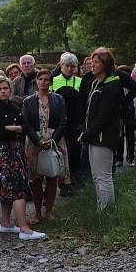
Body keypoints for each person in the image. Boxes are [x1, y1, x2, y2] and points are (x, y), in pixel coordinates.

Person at [0, 77, 44, 240]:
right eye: (0, 88)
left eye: (6, 88)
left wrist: (14, 128)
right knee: (17, 189)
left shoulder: (14, 107)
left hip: (16, 151)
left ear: (10, 90)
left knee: (12, 188)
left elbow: (25, 126)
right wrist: (15, 130)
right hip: (4, 153)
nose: (3, 91)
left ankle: (6, 223)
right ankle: (24, 229)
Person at [78, 48, 124, 210]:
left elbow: (103, 117)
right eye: (92, 62)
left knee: (103, 177)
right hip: (94, 137)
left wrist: (86, 134)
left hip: (103, 138)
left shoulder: (111, 86)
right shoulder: (98, 83)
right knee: (98, 176)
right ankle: (104, 209)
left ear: (105, 64)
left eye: (96, 62)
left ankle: (106, 213)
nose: (92, 65)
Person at [22, 69, 67, 224]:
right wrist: (37, 141)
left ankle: (49, 211)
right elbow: (25, 124)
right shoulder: (28, 101)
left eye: (46, 79)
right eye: (40, 79)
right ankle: (37, 213)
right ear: (36, 81)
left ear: (51, 82)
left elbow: (62, 122)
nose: (43, 82)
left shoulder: (59, 99)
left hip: (54, 140)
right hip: (34, 142)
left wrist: (53, 140)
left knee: (52, 177)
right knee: (35, 178)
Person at [51, 53, 82, 193]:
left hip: (74, 122)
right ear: (61, 66)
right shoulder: (53, 80)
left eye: (72, 66)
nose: (69, 69)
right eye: (66, 66)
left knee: (74, 151)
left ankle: (73, 180)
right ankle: (61, 183)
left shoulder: (80, 81)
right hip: (57, 123)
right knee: (60, 152)